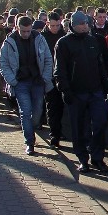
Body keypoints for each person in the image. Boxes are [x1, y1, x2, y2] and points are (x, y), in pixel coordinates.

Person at [54, 11, 108, 173]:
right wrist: (65, 90)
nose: (85, 26)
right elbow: (60, 70)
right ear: (73, 24)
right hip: (76, 92)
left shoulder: (93, 41)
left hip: (95, 92)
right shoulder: (64, 43)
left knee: (100, 124)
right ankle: (82, 159)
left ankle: (98, 157)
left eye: (86, 23)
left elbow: (101, 67)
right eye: (82, 23)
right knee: (79, 128)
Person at [0, 16, 54, 155]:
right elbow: (3, 63)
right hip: (20, 82)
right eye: (23, 31)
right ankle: (29, 142)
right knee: (25, 112)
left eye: (28, 31)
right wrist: (12, 81)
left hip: (37, 81)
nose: (26, 34)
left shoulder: (39, 39)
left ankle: (32, 130)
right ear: (17, 28)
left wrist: (46, 77)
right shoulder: (9, 42)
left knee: (37, 113)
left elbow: (48, 59)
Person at [41, 12, 66, 147]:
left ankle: (59, 130)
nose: (55, 28)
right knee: (51, 106)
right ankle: (54, 134)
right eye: (53, 25)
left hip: (61, 77)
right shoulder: (42, 37)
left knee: (61, 107)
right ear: (48, 24)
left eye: (57, 25)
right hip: (48, 76)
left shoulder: (63, 37)